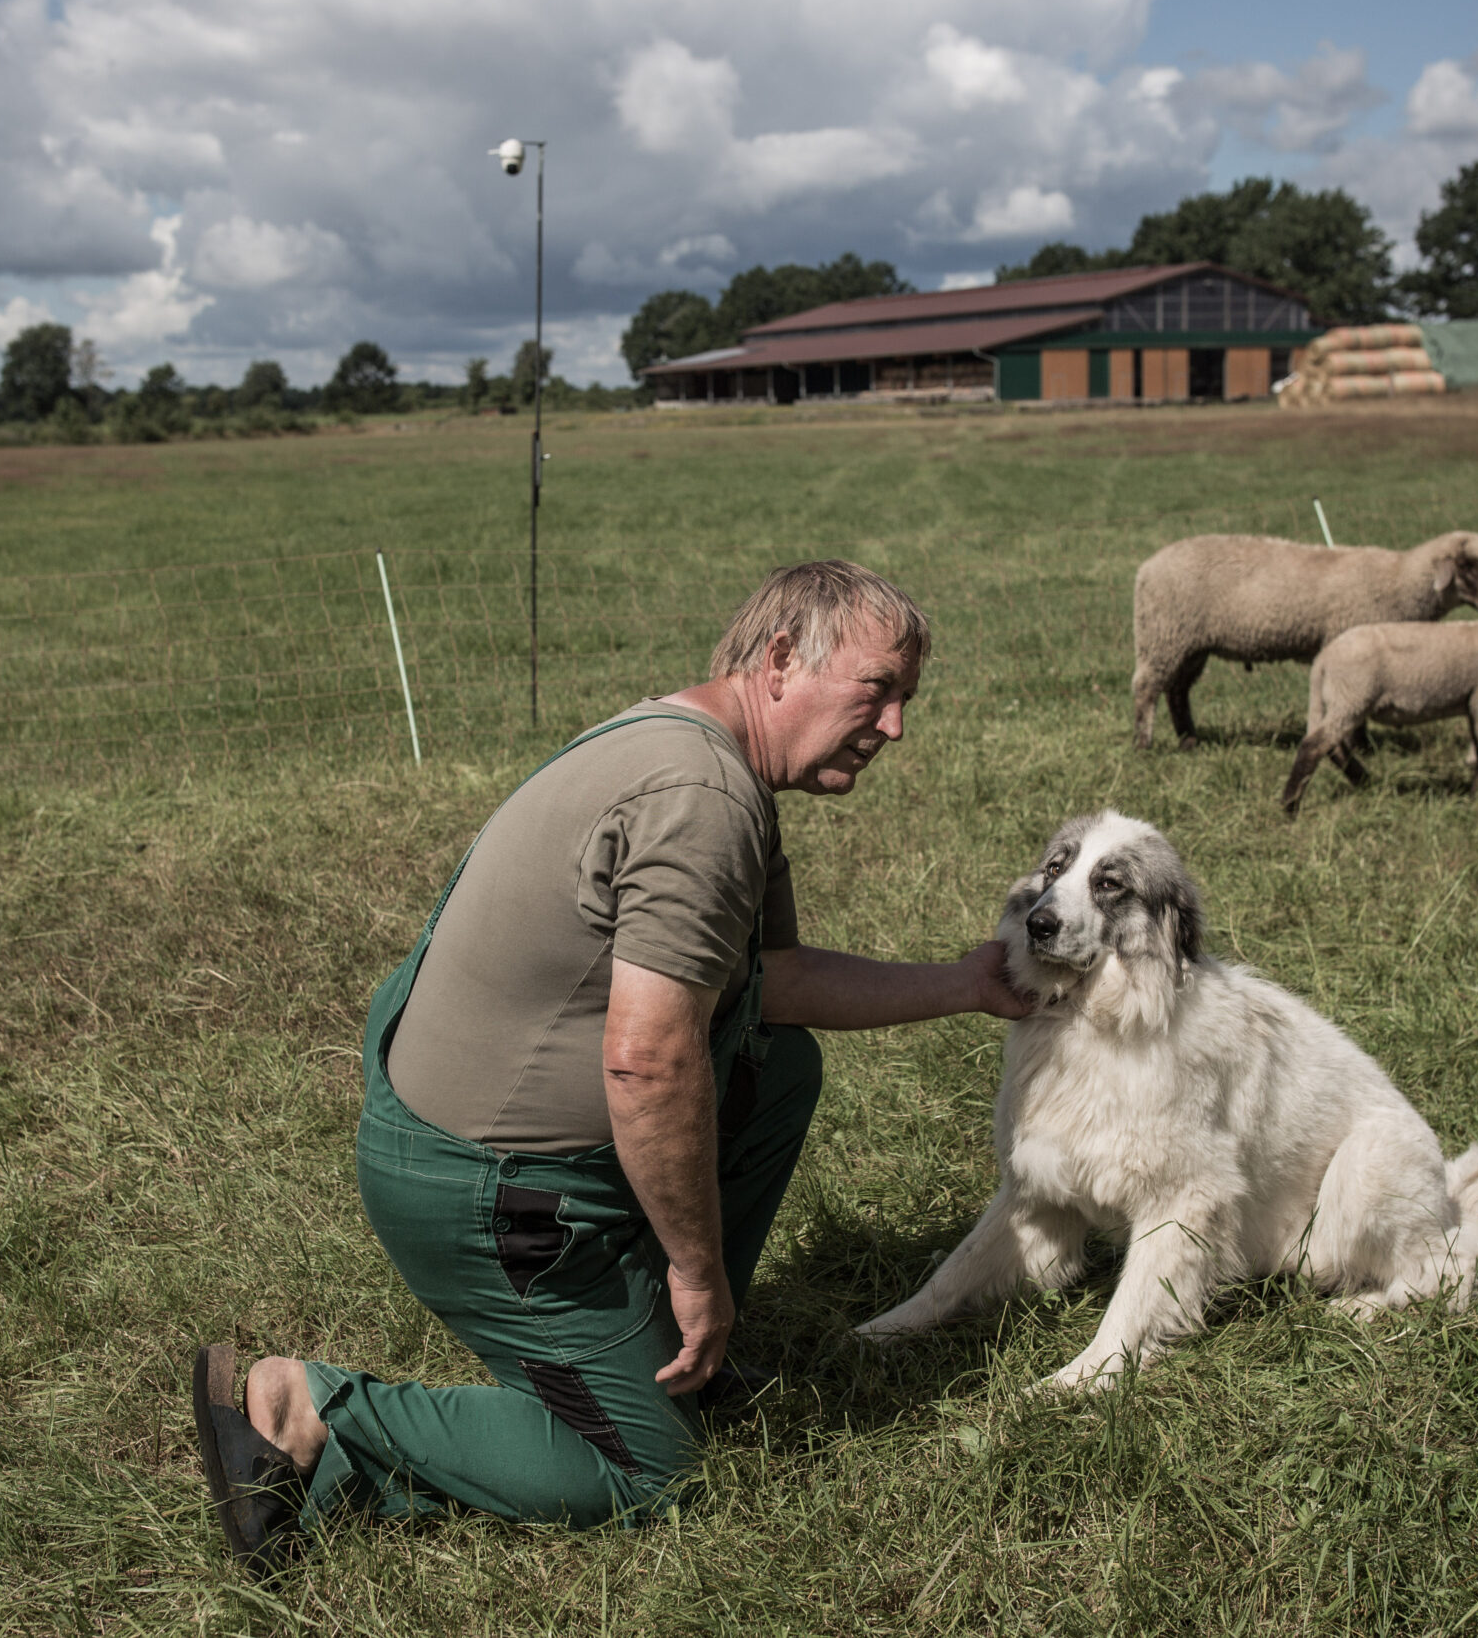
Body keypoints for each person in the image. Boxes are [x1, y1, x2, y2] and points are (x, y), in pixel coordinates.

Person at [191, 560, 1031, 1571]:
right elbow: (647, 1058)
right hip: (484, 1192)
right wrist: (697, 1266)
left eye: (906, 702)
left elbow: (778, 981)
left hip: (480, 1153)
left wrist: (968, 984)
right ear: (778, 661)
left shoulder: (686, 746)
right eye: (877, 691)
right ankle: (314, 1413)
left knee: (780, 1067)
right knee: (642, 1476)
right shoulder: (703, 799)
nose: (894, 727)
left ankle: (671, 1359)